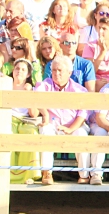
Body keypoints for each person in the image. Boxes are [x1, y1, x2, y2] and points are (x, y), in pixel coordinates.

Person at [34, 55, 91, 185]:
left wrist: (71, 128)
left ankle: (84, 174)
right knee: (46, 131)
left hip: (74, 125)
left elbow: (83, 114)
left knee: (81, 134)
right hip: (52, 124)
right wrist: (45, 114)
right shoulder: (45, 85)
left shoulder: (79, 90)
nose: (56, 73)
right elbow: (35, 98)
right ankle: (47, 173)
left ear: (69, 73)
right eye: (54, 70)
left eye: (60, 70)